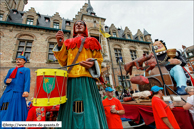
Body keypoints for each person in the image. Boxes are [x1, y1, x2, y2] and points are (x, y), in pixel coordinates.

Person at [53, 20, 108, 128]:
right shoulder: (67, 42)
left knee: (88, 105)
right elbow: (63, 61)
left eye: (81, 24)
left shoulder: (92, 40)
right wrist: (60, 45)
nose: (78, 25)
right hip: (71, 79)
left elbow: (99, 59)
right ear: (73, 28)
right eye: (76, 25)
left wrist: (93, 63)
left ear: (85, 27)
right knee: (71, 106)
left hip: (87, 78)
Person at [0, 55, 30, 126]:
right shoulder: (10, 70)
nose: (18, 61)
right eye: (17, 59)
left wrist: (26, 91)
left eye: (20, 59)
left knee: (16, 108)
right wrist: (6, 81)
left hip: (18, 92)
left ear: (24, 61)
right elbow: (5, 79)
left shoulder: (26, 70)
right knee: (4, 107)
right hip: (8, 92)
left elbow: (27, 81)